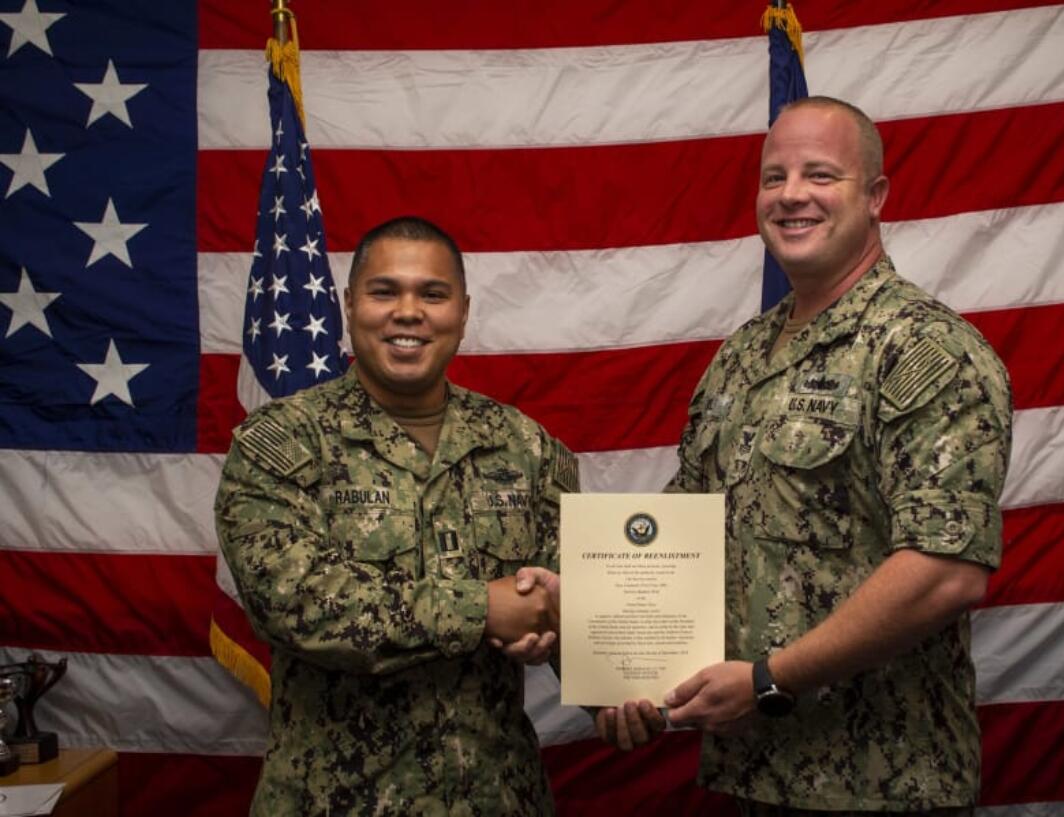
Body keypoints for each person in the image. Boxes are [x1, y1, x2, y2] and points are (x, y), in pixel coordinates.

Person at [593, 96, 1013, 815]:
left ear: (875, 196)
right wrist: (600, 634)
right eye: (773, 176)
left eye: (820, 174)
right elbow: (678, 536)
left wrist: (769, 678)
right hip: (754, 771)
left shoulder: (924, 349)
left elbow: (945, 570)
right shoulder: (742, 356)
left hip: (881, 781)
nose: (791, 195)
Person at [214, 216, 578, 815]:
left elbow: (569, 593)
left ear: (462, 311)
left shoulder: (524, 446)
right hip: (336, 800)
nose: (408, 312)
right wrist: (483, 608)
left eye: (432, 295)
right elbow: (294, 601)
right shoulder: (280, 443)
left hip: (497, 796)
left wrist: (615, 693)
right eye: (385, 291)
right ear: (350, 304)